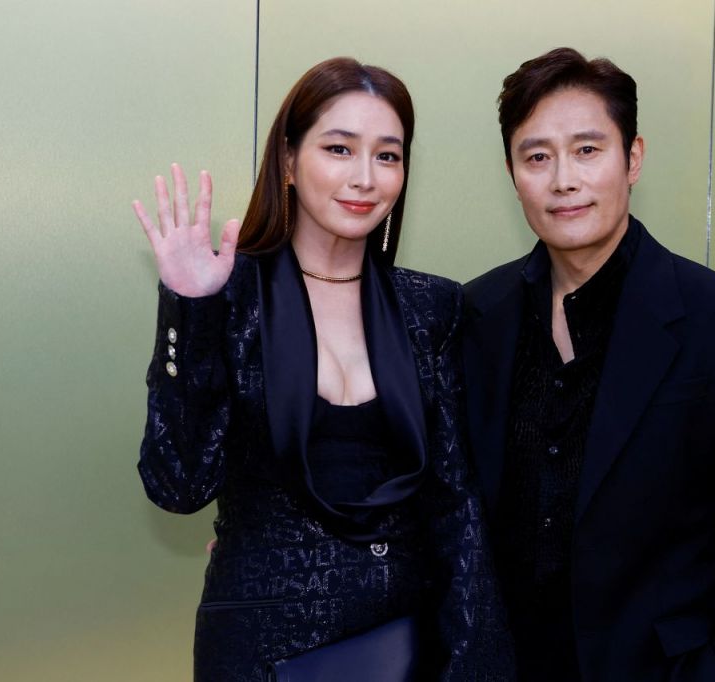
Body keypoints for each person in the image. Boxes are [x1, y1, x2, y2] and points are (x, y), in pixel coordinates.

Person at [133, 57, 512, 681]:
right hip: (260, 645)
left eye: (387, 155)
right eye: (339, 148)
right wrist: (190, 308)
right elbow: (179, 485)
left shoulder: (432, 306)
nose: (365, 177)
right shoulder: (230, 291)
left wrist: (474, 665)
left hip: (401, 642)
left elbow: (455, 508)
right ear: (288, 160)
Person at [461, 47, 715, 681]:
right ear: (512, 173)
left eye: (587, 150)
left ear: (633, 159)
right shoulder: (475, 314)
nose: (563, 179)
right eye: (537, 157)